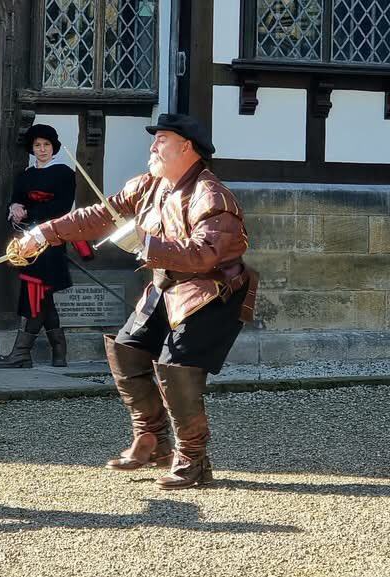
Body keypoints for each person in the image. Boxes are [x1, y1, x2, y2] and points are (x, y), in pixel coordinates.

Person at [15, 114, 258, 489]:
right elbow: (97, 215)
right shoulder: (148, 186)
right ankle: (152, 439)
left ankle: (193, 460)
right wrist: (44, 233)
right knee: (127, 350)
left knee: (176, 369)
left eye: (161, 140)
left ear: (185, 147)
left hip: (210, 292)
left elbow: (207, 253)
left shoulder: (212, 195)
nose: (152, 147)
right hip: (167, 285)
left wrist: (146, 246)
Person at [0, 124, 76, 368]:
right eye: (38, 145)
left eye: (46, 145)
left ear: (54, 147)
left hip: (50, 240)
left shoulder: (64, 173)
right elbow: (17, 197)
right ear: (32, 148)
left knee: (37, 293)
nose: (42, 149)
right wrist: (14, 208)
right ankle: (59, 353)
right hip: (27, 241)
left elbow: (62, 208)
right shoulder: (26, 176)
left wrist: (29, 210)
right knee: (44, 296)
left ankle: (21, 353)